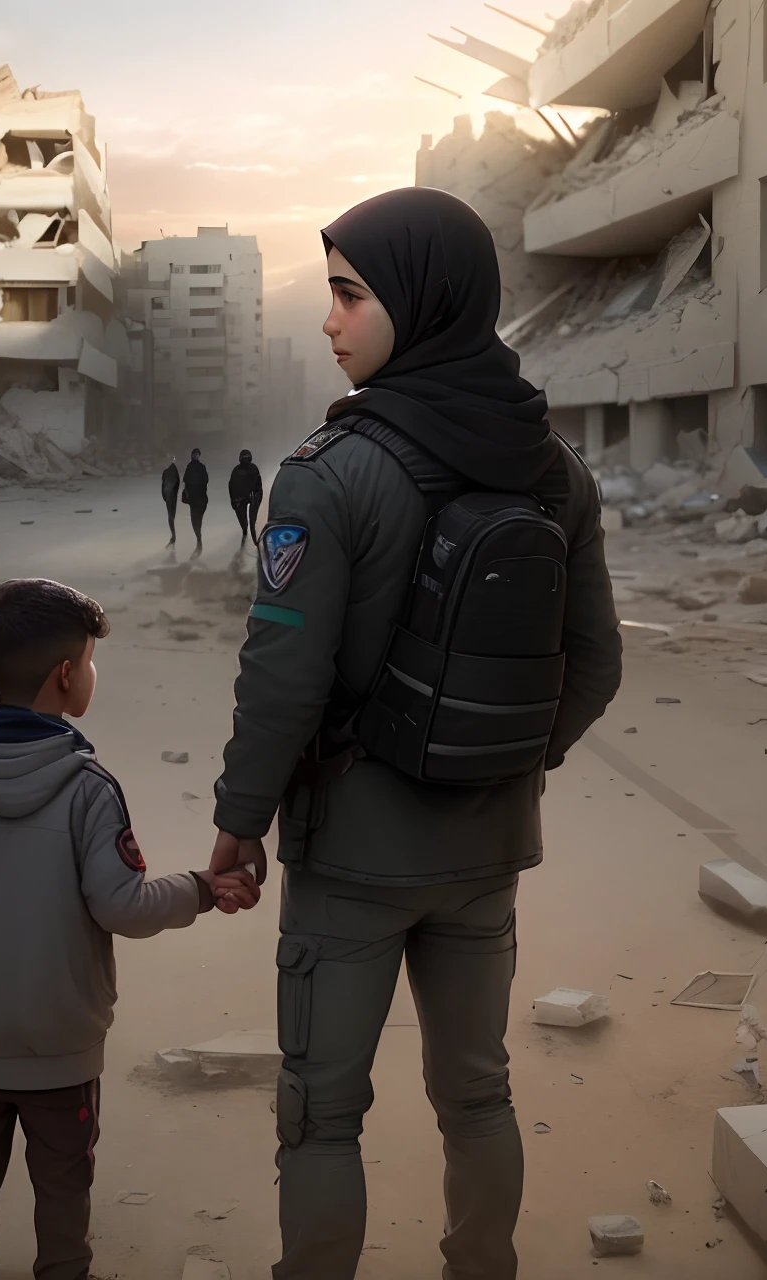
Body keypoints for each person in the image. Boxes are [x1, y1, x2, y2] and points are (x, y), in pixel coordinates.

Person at [207, 188, 623, 1280]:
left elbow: (282, 680)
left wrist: (238, 824)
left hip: (351, 856)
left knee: (321, 1116)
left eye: (350, 294)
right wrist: (506, 763)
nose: (331, 320)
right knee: (477, 1093)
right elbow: (599, 666)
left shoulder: (330, 473)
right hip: (488, 855)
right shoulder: (553, 468)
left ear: (420, 301)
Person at [0, 578, 258, 1280]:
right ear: (66, 676)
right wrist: (204, 891)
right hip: (60, 1050)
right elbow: (121, 905)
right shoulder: (88, 789)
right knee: (63, 1193)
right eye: (90, 661)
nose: (92, 673)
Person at [228, 449, 264, 546]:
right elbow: (231, 486)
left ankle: (254, 540)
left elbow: (259, 484)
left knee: (252, 521)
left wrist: (258, 496)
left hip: (251, 496)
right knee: (243, 521)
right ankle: (246, 533)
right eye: (244, 458)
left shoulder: (253, 468)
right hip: (240, 498)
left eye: (247, 458)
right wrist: (233, 500)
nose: (246, 461)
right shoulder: (236, 471)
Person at [182, 447, 209, 557]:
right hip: (200, 498)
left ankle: (199, 539)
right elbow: (205, 481)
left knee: (196, 520)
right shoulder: (198, 467)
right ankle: (199, 539)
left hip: (196, 499)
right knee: (197, 520)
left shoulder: (192, 467)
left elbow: (186, 482)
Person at [161, 454, 180, 547]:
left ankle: (174, 537)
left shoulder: (171, 470)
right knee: (171, 517)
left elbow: (174, 483)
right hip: (169, 496)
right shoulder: (167, 471)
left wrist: (168, 495)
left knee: (171, 517)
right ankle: (173, 536)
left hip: (171, 496)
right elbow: (164, 485)